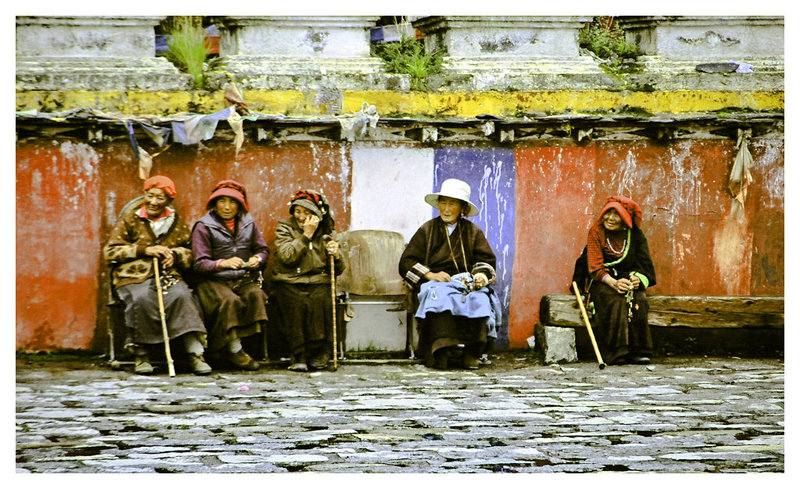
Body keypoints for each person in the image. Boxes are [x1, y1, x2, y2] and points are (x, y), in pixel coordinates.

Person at [103, 175, 211, 375]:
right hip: (133, 277)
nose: (153, 202)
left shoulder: (175, 221)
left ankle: (195, 353)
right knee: (142, 298)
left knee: (182, 296)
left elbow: (190, 252)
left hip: (166, 275)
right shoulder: (131, 218)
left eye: (159, 198)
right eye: (149, 196)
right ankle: (141, 354)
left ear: (168, 201)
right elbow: (110, 251)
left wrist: (176, 256)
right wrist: (145, 250)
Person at [399, 178, 499, 370]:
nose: (446, 209)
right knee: (440, 298)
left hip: (465, 281)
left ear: (463, 208)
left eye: (451, 203)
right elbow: (406, 262)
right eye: (443, 202)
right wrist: (430, 275)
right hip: (436, 281)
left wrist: (480, 276)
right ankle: (440, 352)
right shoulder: (427, 230)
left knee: (479, 298)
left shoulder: (472, 232)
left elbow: (485, 260)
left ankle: (472, 352)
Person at [191, 180, 268, 371]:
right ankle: (234, 350)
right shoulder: (203, 226)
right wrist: (222, 263)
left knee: (255, 295)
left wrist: (257, 258)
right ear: (214, 204)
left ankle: (230, 347)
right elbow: (199, 263)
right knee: (229, 301)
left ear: (240, 205)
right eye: (222, 201)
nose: (227, 207)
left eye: (232, 202)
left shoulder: (249, 223)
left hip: (241, 278)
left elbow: (263, 249)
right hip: (212, 280)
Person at [574, 195, 656, 365]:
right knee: (616, 299)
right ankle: (617, 351)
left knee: (638, 298)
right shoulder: (596, 232)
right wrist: (613, 282)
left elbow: (645, 266)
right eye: (607, 213)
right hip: (602, 281)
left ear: (625, 219)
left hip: (626, 279)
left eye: (616, 215)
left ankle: (639, 350)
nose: (610, 218)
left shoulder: (635, 235)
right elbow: (595, 267)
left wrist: (636, 280)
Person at [271, 190, 346, 372]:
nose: (301, 217)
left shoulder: (328, 232)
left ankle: (320, 352)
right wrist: (306, 236)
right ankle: (299, 354)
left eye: (307, 212)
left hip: (319, 280)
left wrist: (336, 255)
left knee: (321, 299)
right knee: (298, 302)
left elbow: (339, 269)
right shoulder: (284, 228)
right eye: (298, 211)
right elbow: (287, 257)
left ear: (318, 214)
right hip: (289, 281)